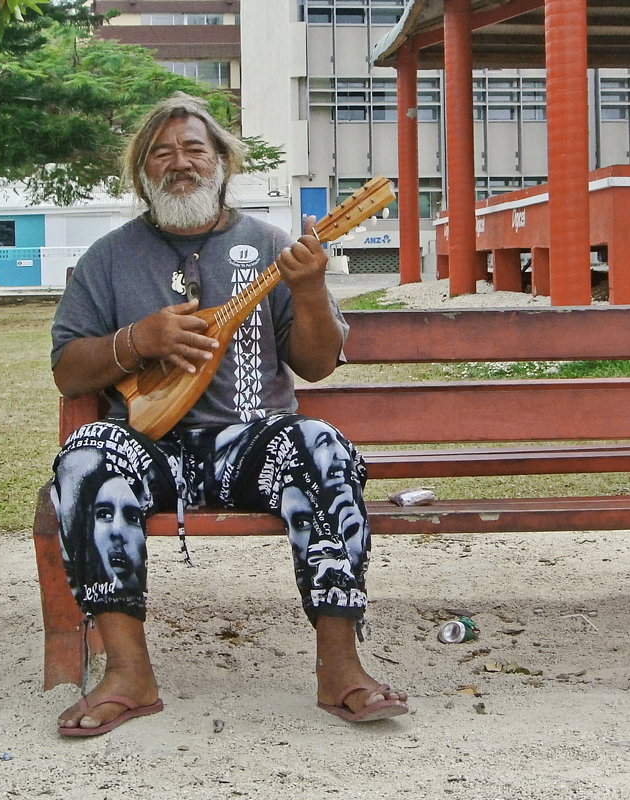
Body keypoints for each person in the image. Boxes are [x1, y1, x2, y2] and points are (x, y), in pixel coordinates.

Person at [49, 93, 408, 736]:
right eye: (161, 153)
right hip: (148, 444)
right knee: (84, 461)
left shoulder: (271, 245)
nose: (179, 164)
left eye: (194, 149)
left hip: (254, 444)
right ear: (142, 173)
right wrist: (137, 342)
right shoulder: (107, 259)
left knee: (321, 445)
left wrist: (308, 288)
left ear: (222, 163)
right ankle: (128, 673)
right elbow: (67, 368)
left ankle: (341, 666)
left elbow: (319, 364)